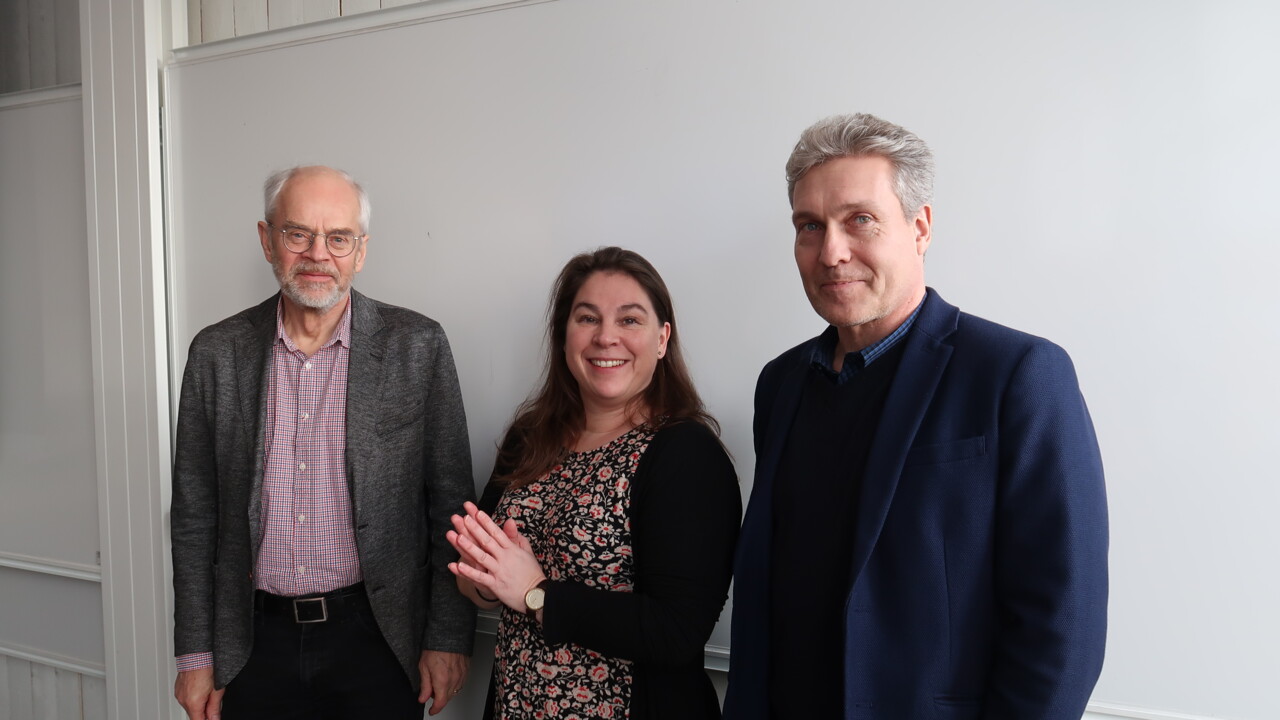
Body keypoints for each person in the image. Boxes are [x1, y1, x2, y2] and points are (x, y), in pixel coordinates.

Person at [724, 114, 1108, 719]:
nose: (832, 251)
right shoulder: (781, 384)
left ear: (920, 226)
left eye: (860, 220)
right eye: (809, 226)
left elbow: (1063, 621)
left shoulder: (1017, 374)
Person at [170, 165, 476, 720]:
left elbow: (450, 506)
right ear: (267, 240)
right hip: (251, 644)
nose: (318, 254)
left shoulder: (418, 346)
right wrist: (196, 654)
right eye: (297, 234)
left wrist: (449, 636)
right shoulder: (216, 354)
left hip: (379, 639)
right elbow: (195, 516)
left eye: (338, 237)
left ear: (360, 251)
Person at [447, 246, 740, 720]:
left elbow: (676, 632)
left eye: (629, 320)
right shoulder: (530, 436)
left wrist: (535, 593)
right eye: (587, 318)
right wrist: (483, 581)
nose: (606, 337)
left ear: (662, 338)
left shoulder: (687, 456)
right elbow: (481, 574)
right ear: (565, 336)